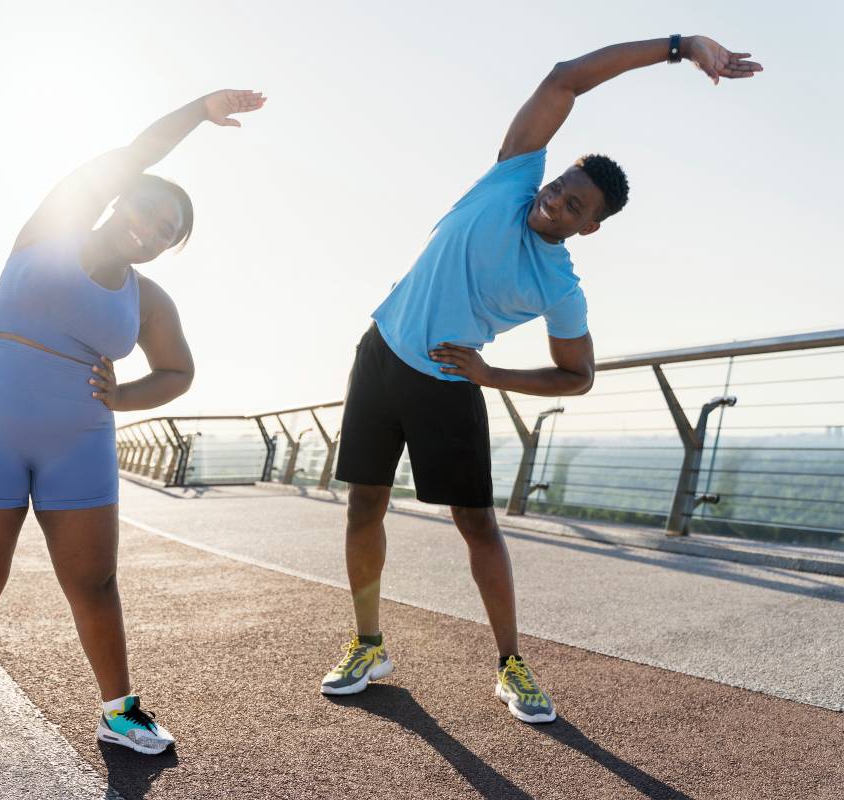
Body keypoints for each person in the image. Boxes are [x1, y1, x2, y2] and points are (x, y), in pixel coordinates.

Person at [319, 35, 760, 723]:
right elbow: (565, 79)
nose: (556, 201)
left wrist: (491, 373)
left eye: (575, 206)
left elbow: (577, 376)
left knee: (478, 525)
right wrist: (681, 47)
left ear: (589, 229)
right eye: (561, 188)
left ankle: (511, 664)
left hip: (448, 379)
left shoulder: (560, 286)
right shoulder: (510, 178)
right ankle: (368, 643)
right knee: (363, 507)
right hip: (379, 354)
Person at [0, 88, 266, 774]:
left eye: (169, 233)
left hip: (81, 444)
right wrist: (199, 111)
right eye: (150, 211)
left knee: (95, 584)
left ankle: (119, 713)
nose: (153, 230)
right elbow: (138, 153)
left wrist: (125, 395)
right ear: (119, 198)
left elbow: (179, 372)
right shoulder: (51, 228)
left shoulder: (147, 299)